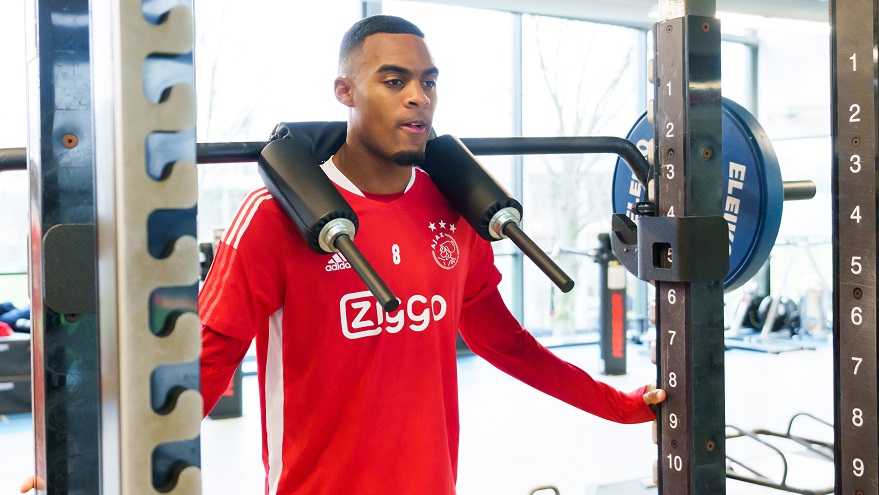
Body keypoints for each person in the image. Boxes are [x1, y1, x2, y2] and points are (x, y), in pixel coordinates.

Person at [22, 14, 665, 495]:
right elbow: (206, 365)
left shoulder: (452, 212)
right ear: (345, 91)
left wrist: (618, 405)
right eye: (394, 80)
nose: (418, 96)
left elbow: (507, 343)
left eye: (428, 82)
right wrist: (87, 468)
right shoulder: (273, 218)